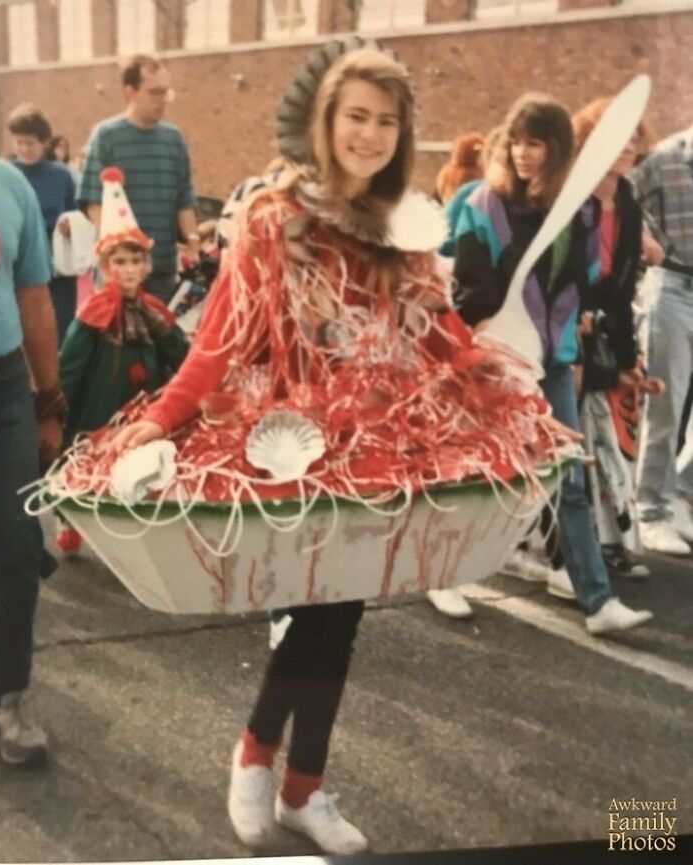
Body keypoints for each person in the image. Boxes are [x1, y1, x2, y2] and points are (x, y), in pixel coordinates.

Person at [102, 44, 577, 853]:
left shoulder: (405, 230)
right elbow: (220, 335)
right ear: (325, 122)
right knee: (319, 613)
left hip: (378, 449)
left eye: (387, 120)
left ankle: (300, 786)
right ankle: (260, 756)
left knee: (340, 616)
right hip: (293, 452)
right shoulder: (270, 219)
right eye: (356, 115)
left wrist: (492, 376)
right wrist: (168, 414)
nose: (370, 133)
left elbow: (439, 335)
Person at [452, 92, 653, 636]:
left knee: (568, 477)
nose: (521, 153)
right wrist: (492, 333)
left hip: (556, 360)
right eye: (515, 140)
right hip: (499, 361)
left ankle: (597, 601)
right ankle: (444, 574)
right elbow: (471, 287)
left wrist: (583, 333)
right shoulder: (484, 204)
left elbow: (589, 281)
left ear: (557, 148)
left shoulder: (579, 210)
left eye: (535, 142)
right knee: (473, 470)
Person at [55, 167, 190, 554]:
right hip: (97, 402)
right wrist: (58, 403)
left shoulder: (154, 313)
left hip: (139, 402)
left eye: (135, 261)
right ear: (105, 267)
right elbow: (71, 363)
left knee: (132, 461)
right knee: (82, 455)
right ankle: (72, 520)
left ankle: (125, 526)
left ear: (146, 266)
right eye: (120, 262)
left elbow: (181, 354)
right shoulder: (94, 312)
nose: (129, 270)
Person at [0, 156, 65, 766]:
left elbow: (34, 295)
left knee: (17, 545)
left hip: (4, 388)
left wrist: (50, 402)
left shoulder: (8, 183)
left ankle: (8, 699)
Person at [571, 97, 662, 578]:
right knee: (574, 437)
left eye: (633, 138)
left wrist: (629, 359)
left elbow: (624, 286)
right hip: (569, 326)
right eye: (617, 136)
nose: (628, 146)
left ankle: (612, 542)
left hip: (608, 325)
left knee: (612, 437)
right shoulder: (574, 195)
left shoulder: (626, 199)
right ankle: (566, 548)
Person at [78, 54, 199, 303]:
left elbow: (184, 199)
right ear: (130, 92)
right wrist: (117, 254)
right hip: (119, 272)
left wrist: (193, 240)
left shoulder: (174, 139)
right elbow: (93, 203)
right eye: (154, 92)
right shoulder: (106, 136)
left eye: (166, 92)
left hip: (163, 271)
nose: (162, 100)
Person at [630, 123, 693, 554]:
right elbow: (619, 197)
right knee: (666, 404)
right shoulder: (666, 158)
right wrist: (644, 237)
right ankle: (651, 510)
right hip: (672, 285)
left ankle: (681, 495)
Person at [8, 103, 78, 342]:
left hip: (57, 267)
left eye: (30, 143)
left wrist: (70, 226)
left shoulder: (61, 176)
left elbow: (75, 215)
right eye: (19, 142)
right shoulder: (6, 175)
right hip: (19, 265)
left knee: (59, 331)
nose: (24, 149)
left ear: (44, 142)